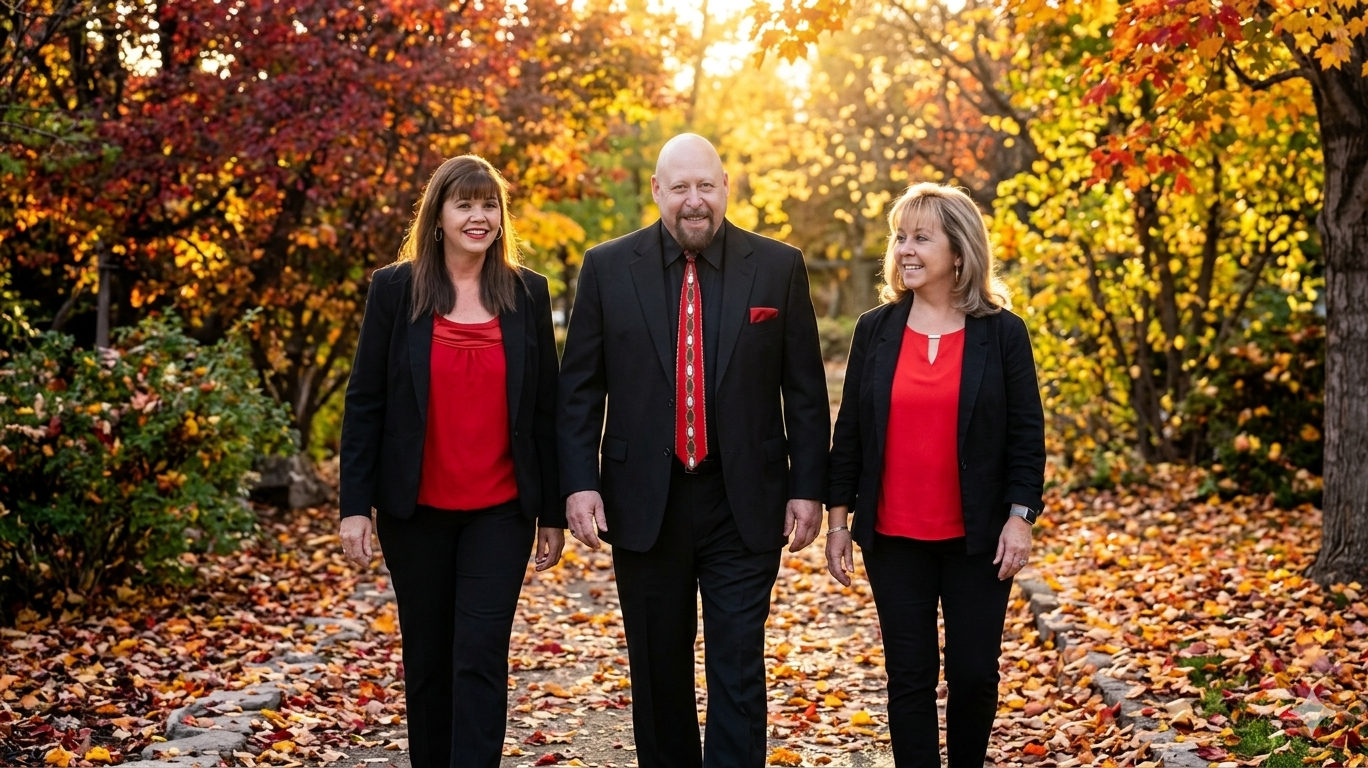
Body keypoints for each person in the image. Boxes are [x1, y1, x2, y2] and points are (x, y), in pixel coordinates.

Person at [557, 133, 830, 768]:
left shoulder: (778, 267)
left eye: (705, 185)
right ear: (657, 192)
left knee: (738, 666)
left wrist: (808, 488)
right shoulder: (605, 268)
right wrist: (579, 483)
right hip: (643, 501)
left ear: (726, 187)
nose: (694, 200)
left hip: (745, 501)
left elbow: (806, 391)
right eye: (679, 187)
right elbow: (578, 390)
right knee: (657, 672)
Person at [337, 155, 565, 768]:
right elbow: (365, 403)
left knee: (481, 655)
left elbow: (546, 408)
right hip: (416, 514)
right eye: (464, 203)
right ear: (438, 215)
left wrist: (551, 512)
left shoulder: (527, 293)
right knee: (429, 661)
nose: (478, 216)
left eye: (488, 204)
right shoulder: (395, 289)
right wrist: (355, 507)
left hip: (501, 511)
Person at [824, 182, 1046, 767]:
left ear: (960, 250)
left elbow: (1027, 436)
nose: (905, 249)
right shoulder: (876, 329)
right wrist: (838, 520)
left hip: (977, 540)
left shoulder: (1003, 333)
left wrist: (1020, 518)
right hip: (894, 538)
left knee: (975, 674)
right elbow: (850, 430)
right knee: (910, 676)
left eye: (921, 237)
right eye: (901, 237)